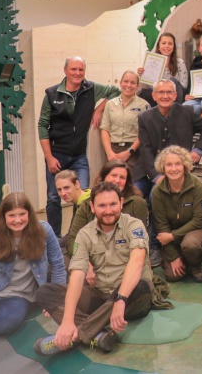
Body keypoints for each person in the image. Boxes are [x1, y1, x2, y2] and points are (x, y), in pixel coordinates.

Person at [35, 181, 153, 355]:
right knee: (46, 292)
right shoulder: (85, 234)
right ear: (92, 207)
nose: (108, 210)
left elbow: (136, 262)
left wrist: (121, 299)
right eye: (102, 205)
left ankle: (77, 335)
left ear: (121, 203)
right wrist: (67, 320)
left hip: (132, 298)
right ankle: (97, 334)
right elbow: (77, 274)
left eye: (113, 204)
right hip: (102, 296)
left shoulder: (134, 225)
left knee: (140, 285)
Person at [39, 56, 121, 236]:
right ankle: (55, 238)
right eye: (74, 69)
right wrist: (49, 157)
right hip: (56, 154)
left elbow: (115, 91)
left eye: (81, 70)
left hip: (79, 156)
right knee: (54, 198)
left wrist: (98, 109)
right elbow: (42, 125)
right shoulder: (52, 94)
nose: (77, 73)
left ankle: (76, 235)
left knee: (84, 197)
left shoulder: (91, 88)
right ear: (65, 71)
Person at [0, 193, 64, 337]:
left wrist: (55, 298)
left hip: (20, 296)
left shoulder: (44, 231)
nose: (17, 220)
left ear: (29, 214)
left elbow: (57, 264)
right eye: (12, 215)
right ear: (4, 217)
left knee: (5, 325)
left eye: (22, 214)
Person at [64, 159, 150, 269]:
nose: (117, 180)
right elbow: (72, 239)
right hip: (92, 258)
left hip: (125, 260)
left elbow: (142, 239)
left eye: (122, 177)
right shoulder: (87, 204)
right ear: (103, 177)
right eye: (113, 175)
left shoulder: (137, 203)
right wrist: (84, 262)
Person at [137, 78, 202, 196]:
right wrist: (156, 176)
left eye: (169, 92)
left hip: (176, 169)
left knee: (156, 196)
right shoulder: (144, 118)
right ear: (154, 96)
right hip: (149, 169)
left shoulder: (187, 112)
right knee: (133, 194)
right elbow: (145, 149)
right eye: (161, 92)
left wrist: (198, 150)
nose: (165, 96)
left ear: (175, 95)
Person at [151, 146, 202, 283]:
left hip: (196, 229)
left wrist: (173, 236)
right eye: (169, 165)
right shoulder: (157, 192)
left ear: (184, 165)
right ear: (162, 167)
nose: (173, 169)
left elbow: (200, 219)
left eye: (177, 164)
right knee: (173, 276)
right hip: (171, 235)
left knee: (189, 244)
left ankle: (196, 265)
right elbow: (161, 226)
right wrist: (173, 257)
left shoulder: (197, 185)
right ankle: (179, 258)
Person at [100, 70, 149, 176]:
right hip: (113, 150)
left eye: (132, 83)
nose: (128, 85)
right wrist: (109, 152)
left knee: (129, 182)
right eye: (126, 81)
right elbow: (105, 129)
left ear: (137, 85)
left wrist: (129, 152)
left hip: (134, 151)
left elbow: (144, 132)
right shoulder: (110, 104)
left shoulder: (143, 105)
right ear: (120, 83)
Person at [55, 170, 91, 256]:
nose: (63, 193)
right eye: (59, 189)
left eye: (67, 188)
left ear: (77, 184)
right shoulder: (78, 202)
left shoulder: (87, 203)